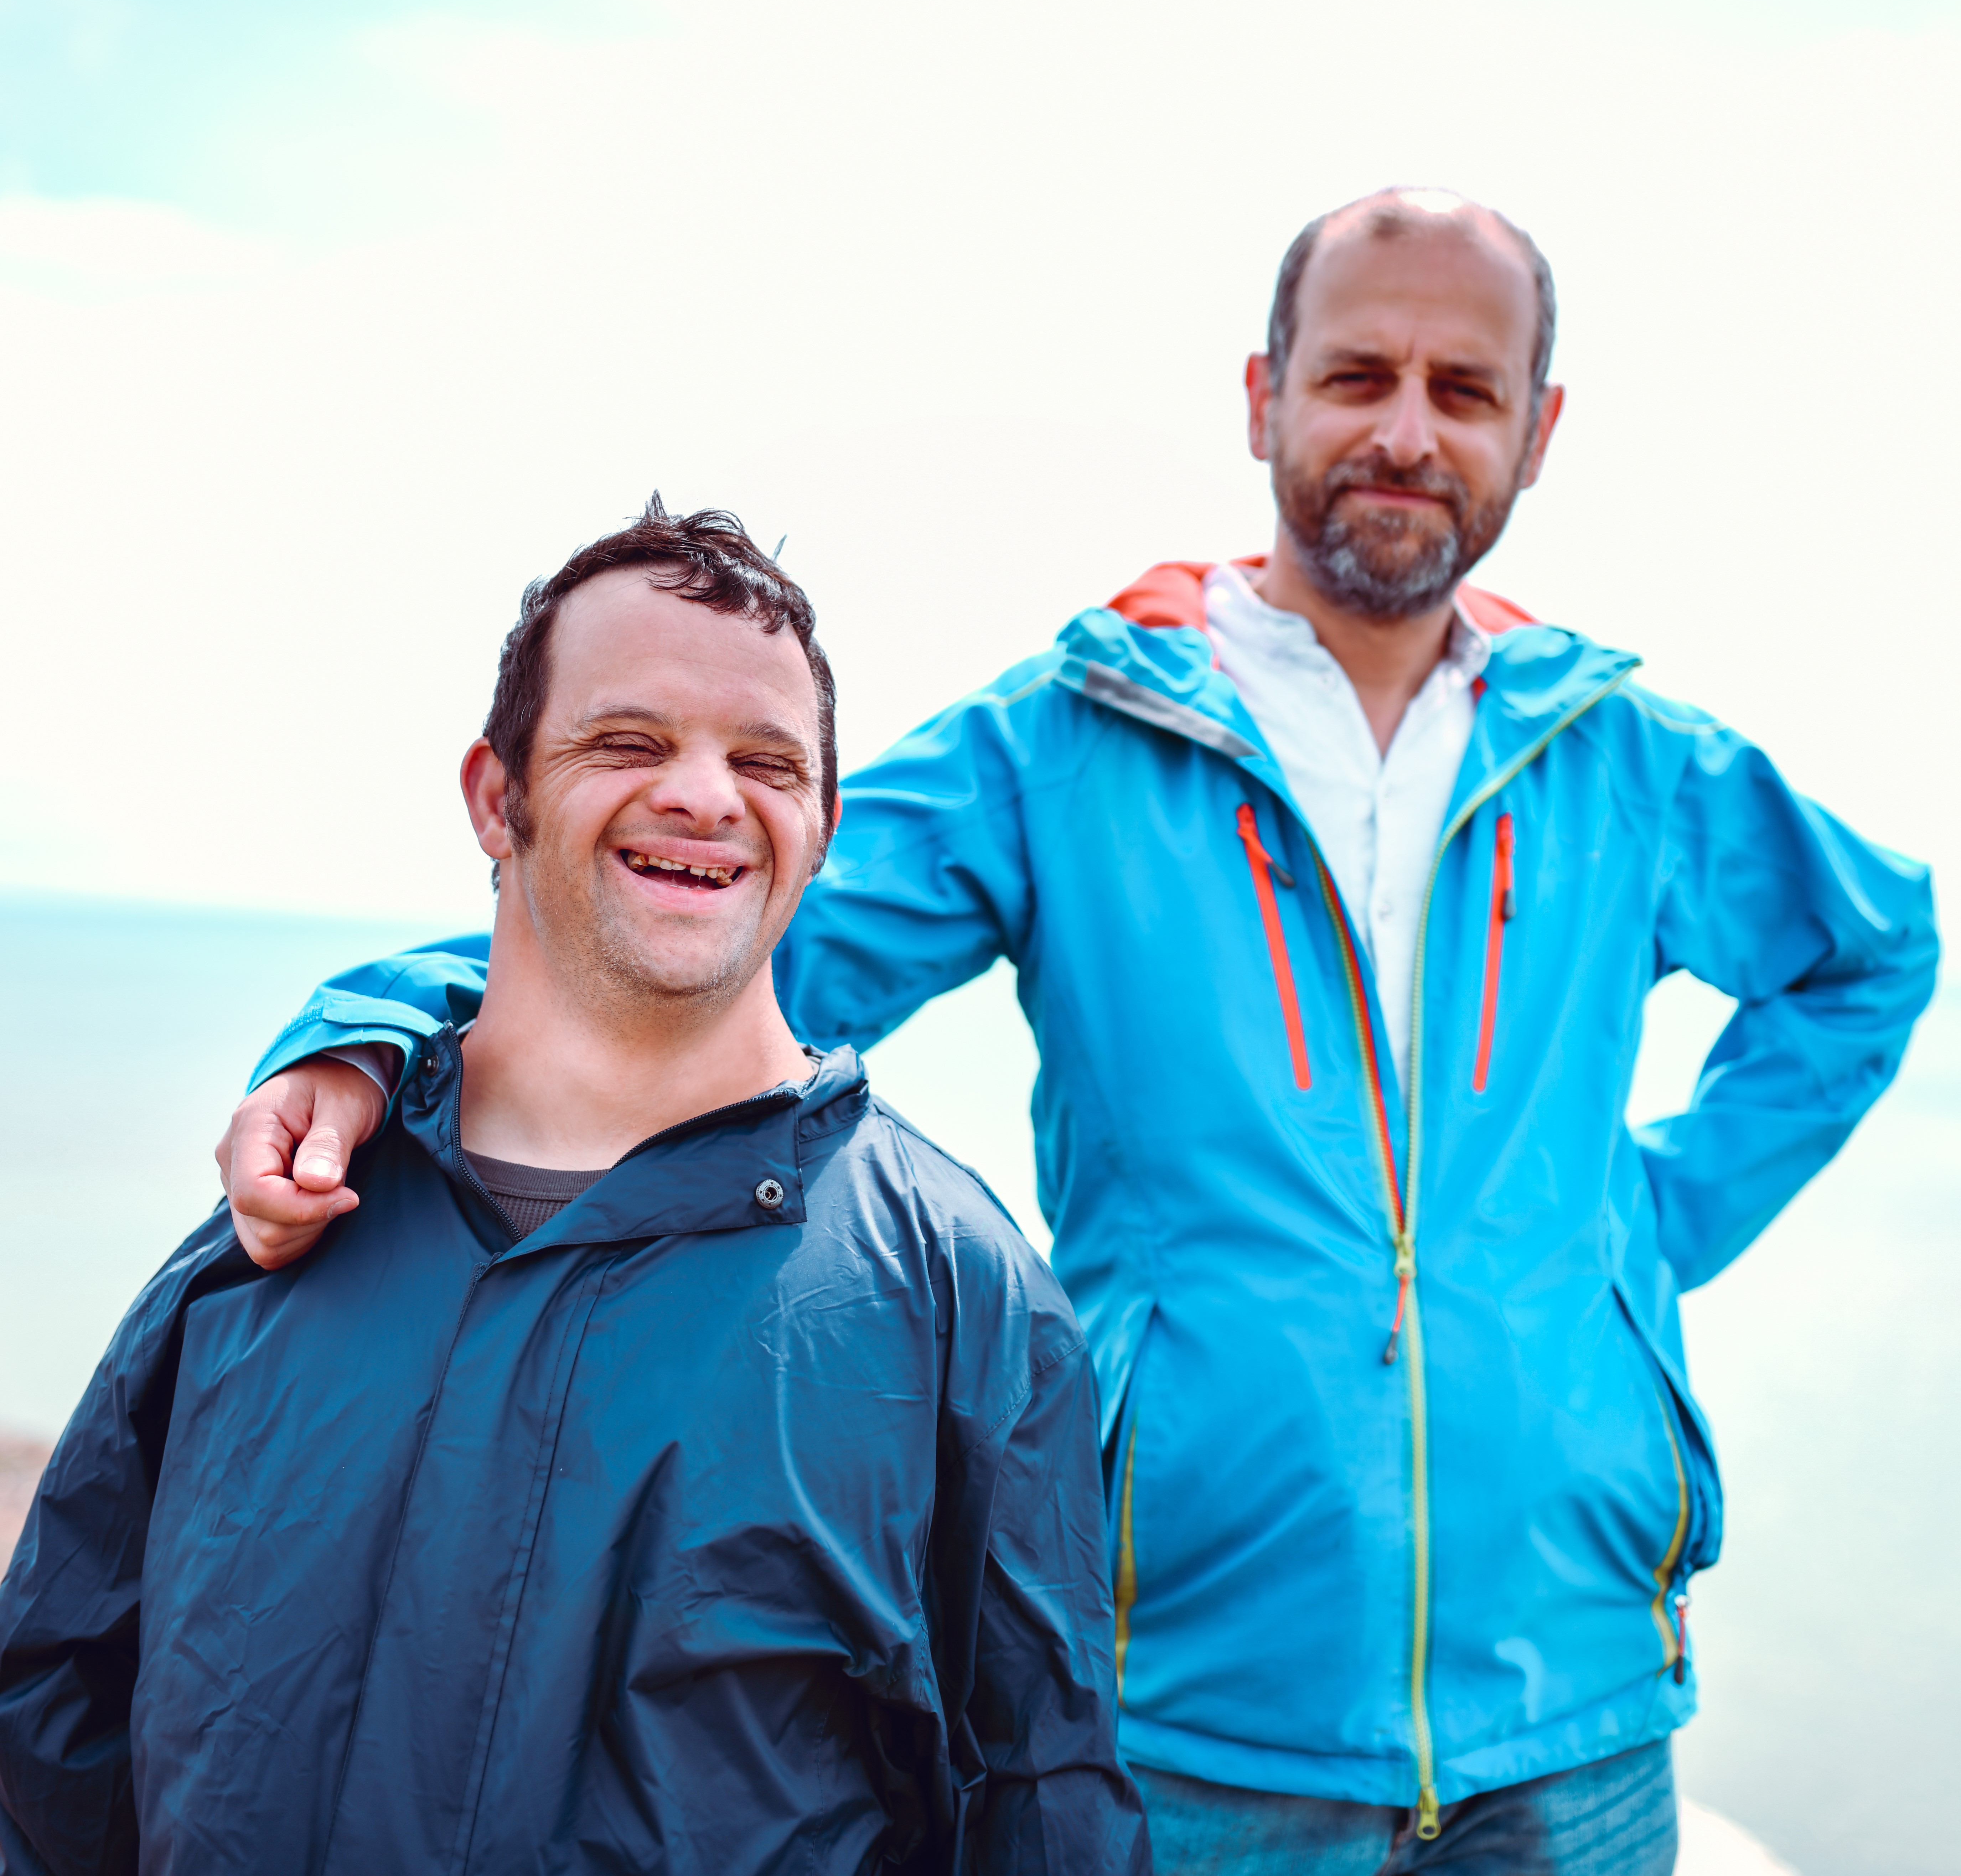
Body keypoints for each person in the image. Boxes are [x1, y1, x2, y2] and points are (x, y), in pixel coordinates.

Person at [210, 191, 1938, 1874]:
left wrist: (1632, 1237)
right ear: (1263, 394)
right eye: (1354, 376)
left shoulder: (1626, 756)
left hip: (1581, 1720)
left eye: (1461, 389)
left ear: (1535, 428)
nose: (1404, 430)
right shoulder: (1068, 741)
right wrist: (366, 1032)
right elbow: (686, 912)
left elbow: (1870, 951)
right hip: (1188, 1708)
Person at [0, 503, 1150, 1875]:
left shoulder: (957, 1300)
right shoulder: (269, 1241)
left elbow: (1044, 1808)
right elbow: (52, 1736)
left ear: (825, 825)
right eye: (630, 743)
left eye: (765, 762)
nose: (707, 797)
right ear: (499, 795)